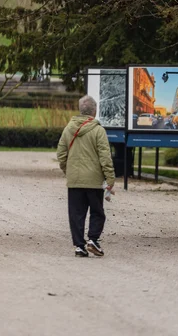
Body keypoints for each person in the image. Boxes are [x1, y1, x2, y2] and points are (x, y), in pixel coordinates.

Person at [57, 95, 115, 257]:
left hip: (74, 180)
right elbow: (105, 156)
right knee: (97, 212)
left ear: (80, 110)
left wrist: (68, 171)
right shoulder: (98, 130)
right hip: (94, 180)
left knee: (76, 213)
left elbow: (61, 154)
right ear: (94, 111)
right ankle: (93, 239)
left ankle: (79, 246)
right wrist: (110, 178)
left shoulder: (68, 129)